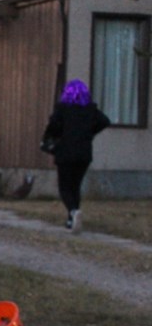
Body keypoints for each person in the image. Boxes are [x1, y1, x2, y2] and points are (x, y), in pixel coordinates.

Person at [42, 79, 110, 231]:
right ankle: (71, 219)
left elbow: (53, 127)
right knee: (75, 186)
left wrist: (51, 138)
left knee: (64, 187)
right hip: (83, 153)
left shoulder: (62, 109)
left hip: (65, 152)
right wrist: (89, 133)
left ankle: (73, 211)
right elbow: (105, 121)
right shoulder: (90, 110)